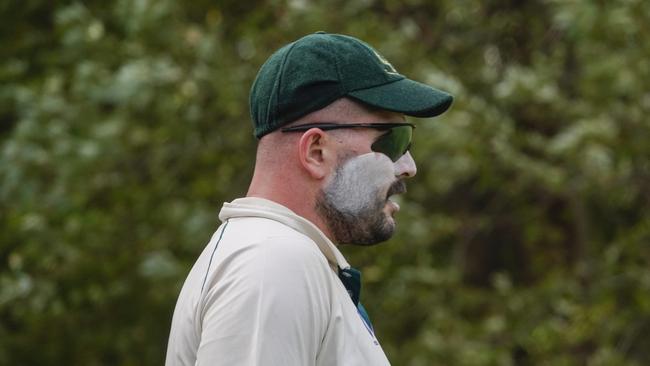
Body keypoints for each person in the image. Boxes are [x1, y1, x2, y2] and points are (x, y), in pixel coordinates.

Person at [165, 32, 453, 366]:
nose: (408, 167)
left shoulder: (279, 257)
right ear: (316, 152)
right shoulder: (273, 262)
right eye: (392, 141)